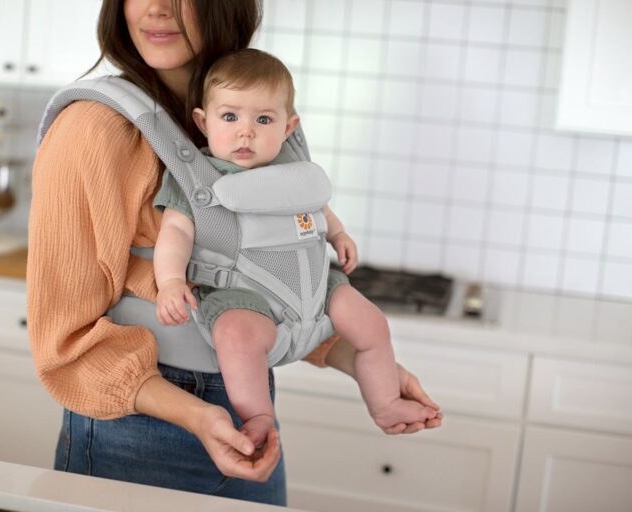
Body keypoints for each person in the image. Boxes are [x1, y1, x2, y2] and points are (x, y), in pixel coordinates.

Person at [27, 0, 443, 506]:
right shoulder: (93, 129)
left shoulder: (257, 119)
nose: (156, 9)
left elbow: (267, 275)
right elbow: (64, 342)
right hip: (138, 431)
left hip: (249, 413)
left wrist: (364, 363)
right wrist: (197, 416)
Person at [153, 48, 439, 449]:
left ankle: (386, 402)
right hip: (243, 297)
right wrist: (169, 281)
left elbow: (316, 206)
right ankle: (258, 417)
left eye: (263, 119)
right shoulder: (196, 176)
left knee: (372, 323)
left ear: (289, 127)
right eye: (230, 117)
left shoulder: (292, 170)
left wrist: (338, 235)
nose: (246, 132)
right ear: (203, 122)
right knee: (236, 336)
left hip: (316, 291)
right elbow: (175, 233)